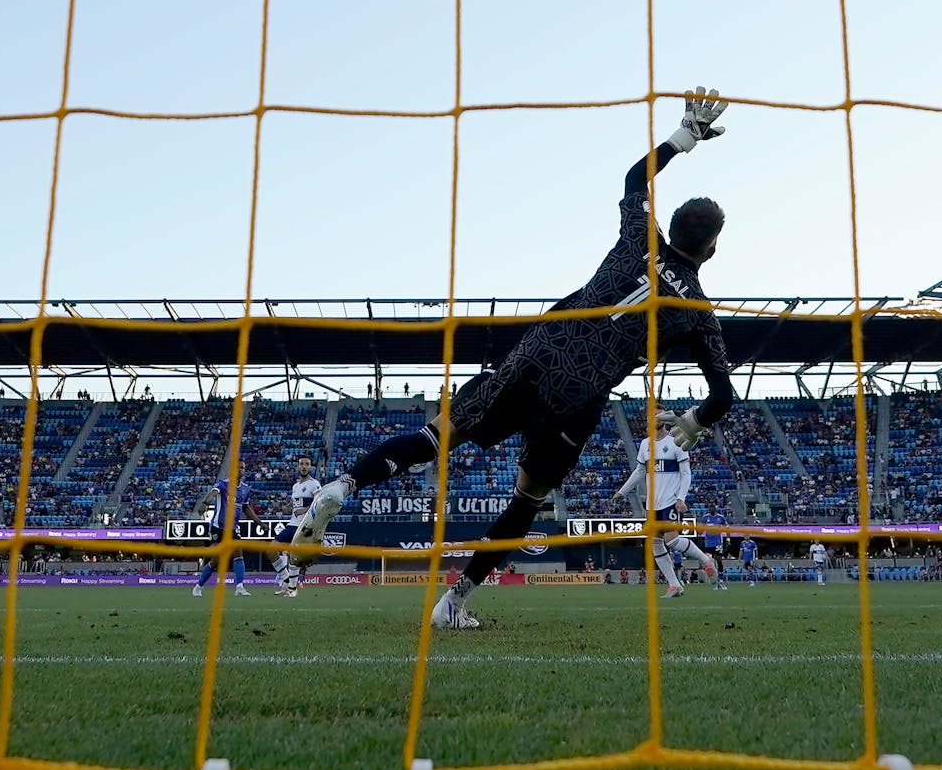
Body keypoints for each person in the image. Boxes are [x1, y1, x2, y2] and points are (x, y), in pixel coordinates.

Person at [288, 89, 736, 629]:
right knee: (527, 499)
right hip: (578, 395)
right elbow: (723, 395)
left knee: (437, 438)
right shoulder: (697, 311)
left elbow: (632, 180)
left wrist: (682, 138)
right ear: (710, 250)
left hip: (537, 353)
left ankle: (343, 487)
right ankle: (454, 603)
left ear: (673, 227)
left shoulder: (637, 240)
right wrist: (693, 421)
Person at [614, 414, 717, 598]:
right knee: (655, 544)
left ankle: (705, 559)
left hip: (671, 501)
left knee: (672, 541)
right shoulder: (645, 444)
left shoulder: (677, 442)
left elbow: (686, 473)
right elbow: (639, 471)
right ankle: (674, 585)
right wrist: (622, 491)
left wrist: (681, 498)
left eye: (658, 414)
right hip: (652, 505)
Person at [190, 474, 260, 597]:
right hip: (219, 526)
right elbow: (213, 492)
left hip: (233, 527)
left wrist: (259, 522)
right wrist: (206, 503)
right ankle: (198, 586)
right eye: (238, 467)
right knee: (216, 559)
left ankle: (239, 587)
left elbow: (246, 508)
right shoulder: (223, 483)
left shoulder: (245, 488)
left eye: (242, 468)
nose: (240, 470)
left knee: (238, 553)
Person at [272, 454, 323, 597]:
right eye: (302, 464)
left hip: (303, 525)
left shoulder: (314, 484)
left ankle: (292, 589)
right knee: (271, 549)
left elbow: (319, 503)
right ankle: (287, 581)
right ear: (298, 466)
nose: (304, 466)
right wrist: (289, 507)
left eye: (307, 464)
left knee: (294, 556)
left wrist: (304, 510)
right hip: (291, 524)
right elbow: (296, 505)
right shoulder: (296, 486)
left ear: (310, 467)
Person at [703, 506, 728, 590]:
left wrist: (728, 538)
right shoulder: (705, 518)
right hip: (708, 544)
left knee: (719, 561)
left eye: (713, 507)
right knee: (710, 563)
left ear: (715, 509)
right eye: (710, 508)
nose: (711, 509)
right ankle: (715, 581)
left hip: (717, 543)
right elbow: (700, 529)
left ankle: (721, 581)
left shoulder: (720, 518)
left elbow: (727, 528)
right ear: (709, 509)